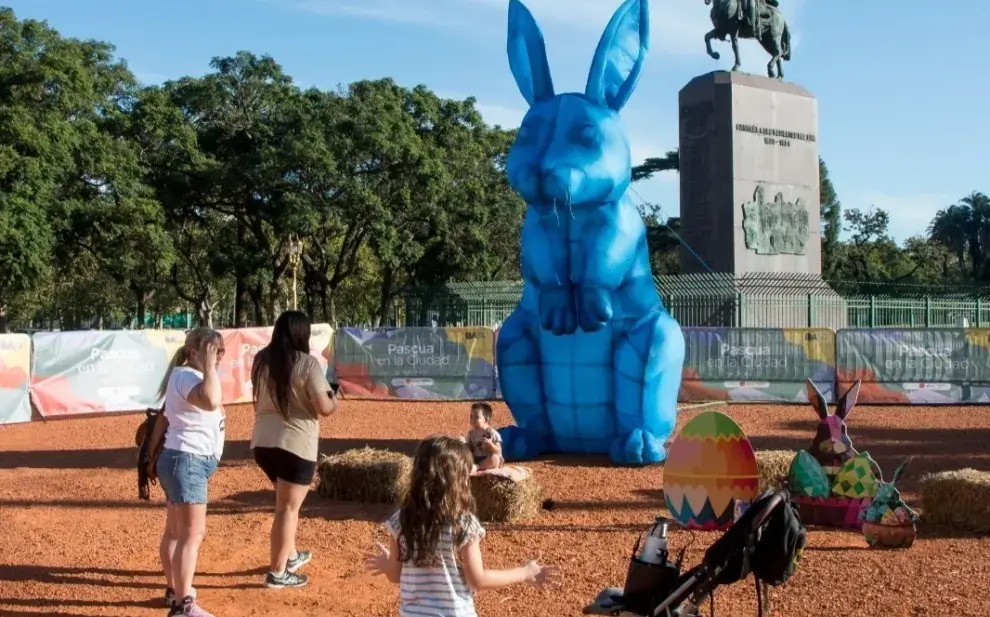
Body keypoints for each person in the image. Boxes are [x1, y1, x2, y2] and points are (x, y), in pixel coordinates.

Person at [365, 436, 559, 617]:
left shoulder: (401, 520)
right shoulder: (463, 524)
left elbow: (395, 575)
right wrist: (524, 572)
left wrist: (386, 564)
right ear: (459, 482)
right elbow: (477, 579)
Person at [250, 310, 339, 589]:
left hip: (263, 444)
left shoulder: (261, 360)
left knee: (286, 504)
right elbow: (324, 408)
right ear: (302, 334)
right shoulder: (308, 364)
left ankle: (289, 555)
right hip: (296, 445)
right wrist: (334, 398)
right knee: (287, 509)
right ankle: (278, 573)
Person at [147, 328, 226, 617]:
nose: (218, 357)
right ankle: (183, 606)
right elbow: (210, 401)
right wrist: (208, 368)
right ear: (194, 352)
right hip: (187, 460)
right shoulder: (186, 375)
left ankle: (176, 592)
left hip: (183, 460)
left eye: (220, 352)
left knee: (176, 532)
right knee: (191, 536)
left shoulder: (186, 375)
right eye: (213, 350)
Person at [466, 402, 504, 472]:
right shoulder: (470, 434)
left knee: (495, 458)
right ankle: (474, 466)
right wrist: (468, 446)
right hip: (475, 458)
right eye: (471, 416)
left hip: (488, 459)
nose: (473, 419)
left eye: (476, 417)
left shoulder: (492, 433)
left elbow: (498, 451)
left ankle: (477, 467)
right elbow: (469, 449)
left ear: (486, 419)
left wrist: (490, 444)